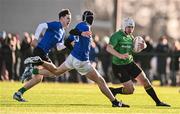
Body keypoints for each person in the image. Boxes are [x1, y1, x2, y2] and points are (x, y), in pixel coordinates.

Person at [21, 10, 129, 108]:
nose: (91, 19)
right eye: (91, 17)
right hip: (82, 61)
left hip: (73, 57)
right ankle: (115, 102)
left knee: (56, 71)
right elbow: (73, 31)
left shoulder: (80, 26)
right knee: (100, 81)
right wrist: (81, 33)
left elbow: (68, 40)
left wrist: (74, 46)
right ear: (88, 19)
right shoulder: (84, 26)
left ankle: (34, 68)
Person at [13, 9, 90, 102]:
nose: (69, 20)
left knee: (39, 78)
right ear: (61, 18)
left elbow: (58, 47)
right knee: (55, 72)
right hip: (39, 51)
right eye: (67, 18)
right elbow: (41, 25)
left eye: (70, 19)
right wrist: (35, 39)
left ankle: (19, 93)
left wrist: (70, 43)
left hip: (43, 54)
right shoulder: (56, 25)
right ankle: (34, 68)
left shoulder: (62, 31)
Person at [106, 17, 170, 107]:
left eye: (132, 27)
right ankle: (114, 91)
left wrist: (143, 46)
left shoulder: (131, 37)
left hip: (130, 63)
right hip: (118, 66)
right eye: (129, 27)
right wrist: (119, 55)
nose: (131, 29)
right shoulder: (116, 36)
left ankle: (158, 102)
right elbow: (108, 48)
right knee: (130, 90)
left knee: (145, 80)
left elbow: (134, 50)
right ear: (124, 26)